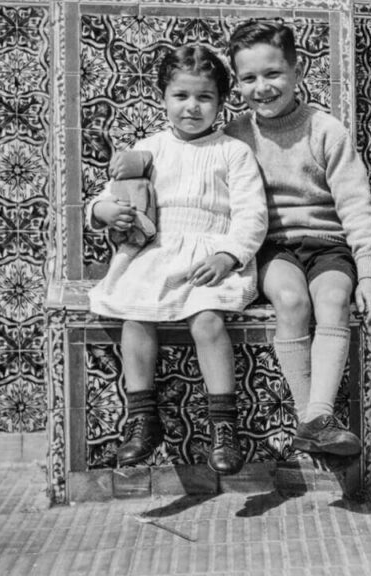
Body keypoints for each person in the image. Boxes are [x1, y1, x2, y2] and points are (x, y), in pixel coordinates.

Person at [87, 45, 268, 475]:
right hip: (155, 253)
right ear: (163, 98)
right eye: (181, 96)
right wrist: (105, 212)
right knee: (135, 316)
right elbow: (111, 195)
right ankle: (142, 420)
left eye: (204, 97)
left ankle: (225, 426)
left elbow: (252, 214)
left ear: (222, 103)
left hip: (210, 256)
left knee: (207, 320)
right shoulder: (148, 150)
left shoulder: (233, 152)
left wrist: (228, 255)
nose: (192, 107)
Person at [224, 20, 371, 459]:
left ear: (298, 72)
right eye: (248, 78)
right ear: (237, 84)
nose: (262, 86)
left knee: (335, 298)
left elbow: (357, 207)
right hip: (273, 246)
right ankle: (309, 418)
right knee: (291, 301)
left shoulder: (326, 131)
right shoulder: (235, 137)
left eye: (273, 73)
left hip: (328, 244)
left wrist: (369, 274)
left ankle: (317, 417)